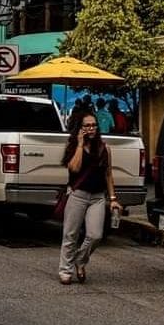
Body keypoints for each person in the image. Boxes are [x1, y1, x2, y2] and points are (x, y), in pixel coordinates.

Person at [57, 112, 122, 285]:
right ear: (80, 128)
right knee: (70, 234)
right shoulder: (72, 146)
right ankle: (65, 270)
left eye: (94, 125)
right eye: (87, 126)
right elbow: (74, 168)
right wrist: (79, 144)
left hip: (98, 197)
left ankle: (80, 260)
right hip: (77, 195)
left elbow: (108, 174)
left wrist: (113, 198)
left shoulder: (104, 148)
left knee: (95, 235)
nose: (91, 128)